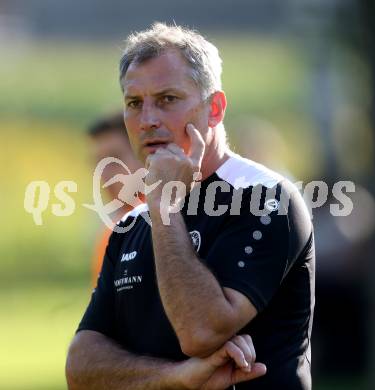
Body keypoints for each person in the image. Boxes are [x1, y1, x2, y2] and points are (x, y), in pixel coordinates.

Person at [66, 22, 315, 390]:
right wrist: (175, 377)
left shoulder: (265, 197)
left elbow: (200, 332)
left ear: (214, 108)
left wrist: (165, 207)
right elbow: (80, 367)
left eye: (167, 99)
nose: (148, 120)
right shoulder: (132, 222)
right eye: (134, 103)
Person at [87, 112, 143, 287]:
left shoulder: (171, 218)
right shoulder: (113, 229)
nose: (104, 174)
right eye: (99, 163)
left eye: (115, 159)